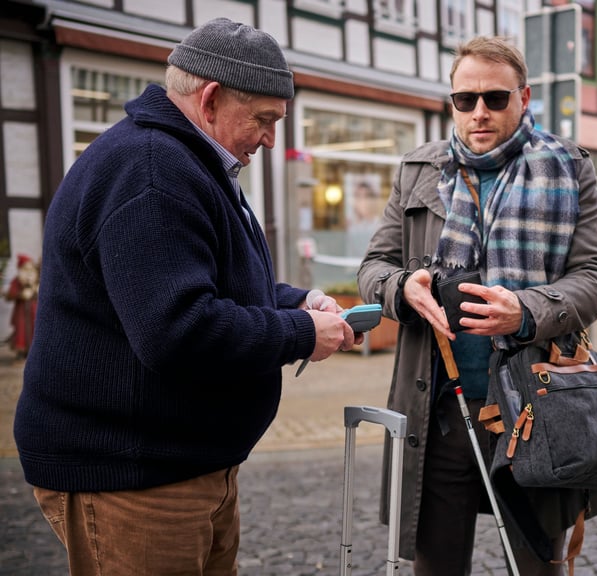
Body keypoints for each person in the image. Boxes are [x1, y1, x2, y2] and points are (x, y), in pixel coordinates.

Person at [14, 18, 361, 575]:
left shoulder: (186, 162)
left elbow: (210, 285)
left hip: (180, 464)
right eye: (264, 119)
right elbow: (177, 329)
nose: (271, 140)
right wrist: (299, 333)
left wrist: (294, 302)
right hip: (134, 476)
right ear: (211, 99)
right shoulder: (152, 170)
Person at [357, 35, 597, 575]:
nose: (479, 112)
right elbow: (373, 267)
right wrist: (402, 288)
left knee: (536, 567)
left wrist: (527, 311)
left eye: (495, 98)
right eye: (465, 99)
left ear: (523, 97)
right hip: (439, 411)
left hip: (535, 408)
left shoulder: (568, 167)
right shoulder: (419, 170)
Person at [6, 254, 40, 359]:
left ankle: (33, 351)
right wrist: (20, 295)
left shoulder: (37, 281)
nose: (29, 272)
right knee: (21, 331)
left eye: (31, 268)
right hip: (21, 313)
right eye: (25, 269)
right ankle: (21, 352)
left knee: (34, 329)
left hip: (34, 311)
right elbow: (10, 295)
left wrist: (35, 291)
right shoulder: (16, 281)